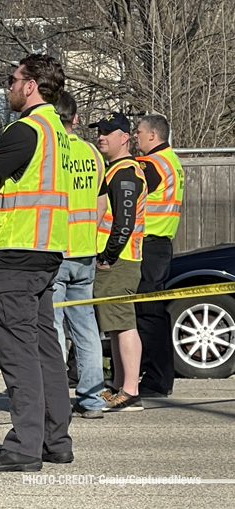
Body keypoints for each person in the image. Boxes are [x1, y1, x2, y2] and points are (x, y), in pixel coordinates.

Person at [0, 53, 73, 472]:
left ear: (31, 85)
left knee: (18, 353)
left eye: (12, 80)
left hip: (17, 254)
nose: (8, 86)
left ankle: (24, 447)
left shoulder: (26, 130)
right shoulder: (61, 135)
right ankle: (54, 439)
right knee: (46, 347)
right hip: (47, 252)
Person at [52, 91, 107, 419]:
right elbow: (101, 204)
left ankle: (57, 401)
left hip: (56, 251)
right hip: (86, 250)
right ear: (74, 118)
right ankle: (92, 401)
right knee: (86, 330)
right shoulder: (92, 153)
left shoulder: (52, 151)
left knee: (54, 328)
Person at [90, 112, 147, 412]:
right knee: (115, 325)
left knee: (123, 324)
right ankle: (118, 387)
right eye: (99, 130)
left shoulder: (125, 173)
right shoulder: (116, 170)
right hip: (118, 260)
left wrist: (107, 258)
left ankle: (130, 390)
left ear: (124, 137)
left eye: (108, 131)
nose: (101, 135)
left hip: (120, 261)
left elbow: (123, 223)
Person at [134, 115, 184, 398]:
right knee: (154, 312)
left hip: (147, 244)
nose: (135, 136)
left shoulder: (150, 165)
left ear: (153, 135)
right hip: (161, 243)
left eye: (139, 132)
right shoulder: (172, 162)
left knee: (147, 313)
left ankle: (154, 378)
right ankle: (159, 376)